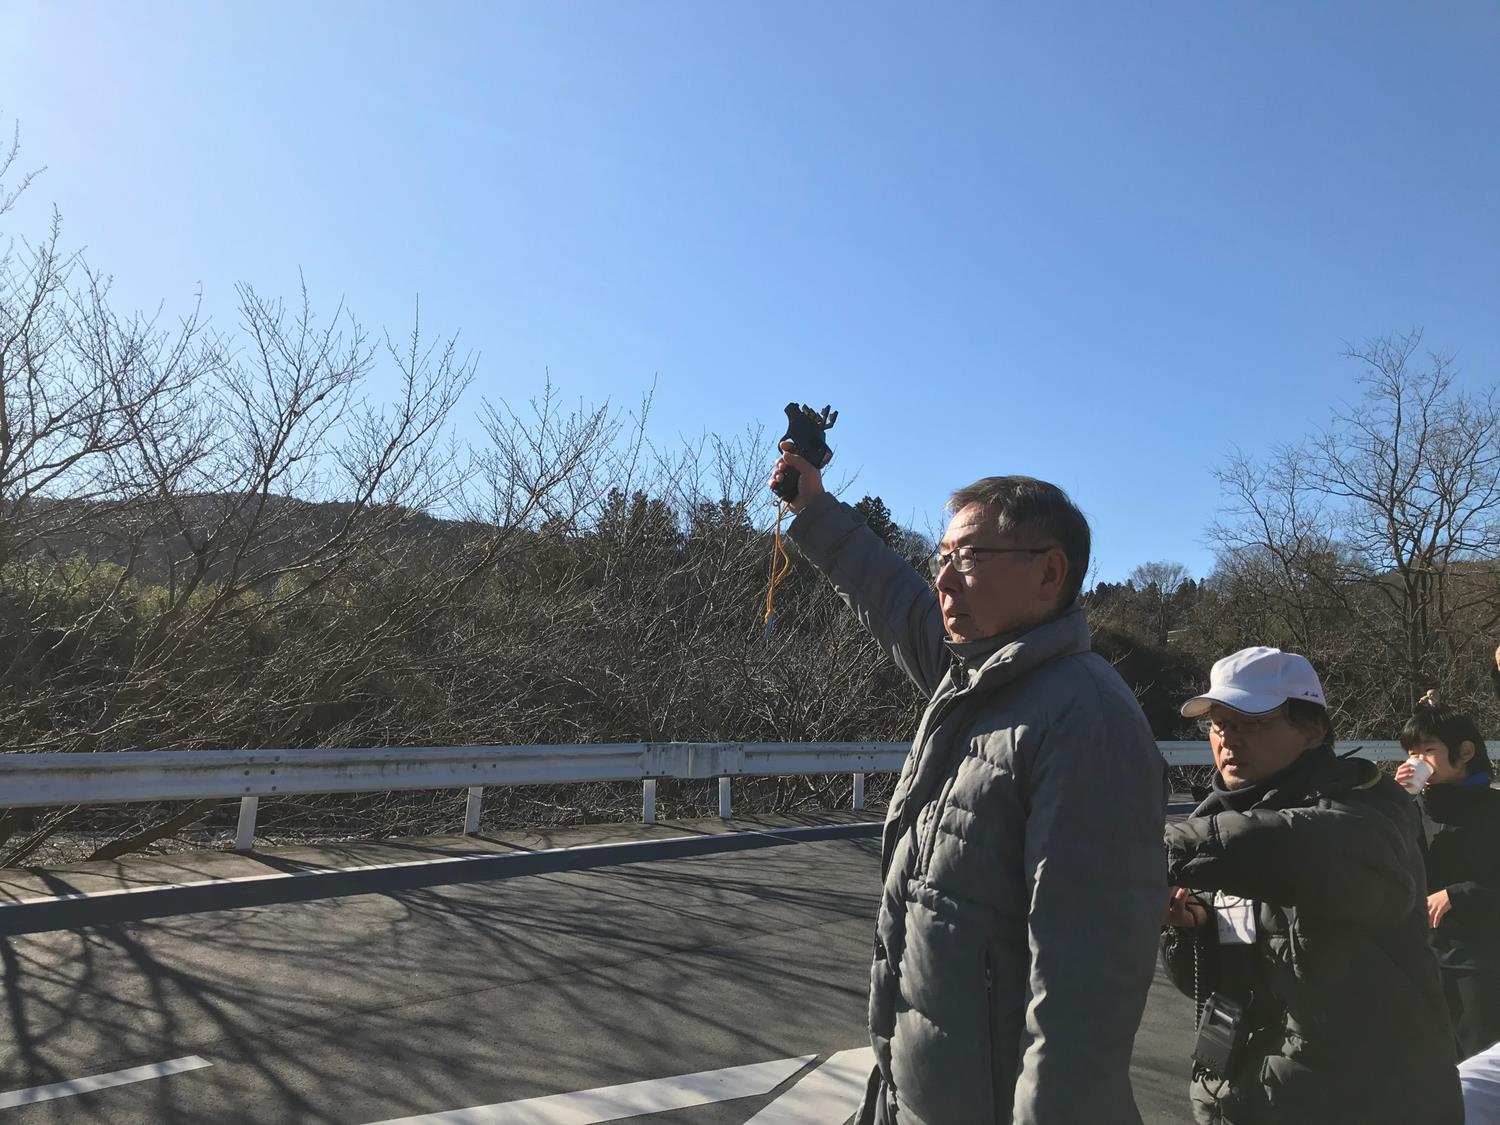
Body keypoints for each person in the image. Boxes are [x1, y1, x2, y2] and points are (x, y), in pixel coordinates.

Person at [770, 444, 1165, 1125]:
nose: (945, 579)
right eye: (942, 559)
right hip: (919, 1093)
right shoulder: (973, 683)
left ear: (1050, 573)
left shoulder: (1084, 716)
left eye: (969, 559)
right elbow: (892, 596)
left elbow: (1083, 986)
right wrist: (813, 506)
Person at [1160, 647, 1462, 1124]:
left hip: (1367, 1101)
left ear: (1314, 730)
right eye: (1218, 725)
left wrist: (1160, 850)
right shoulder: (1219, 824)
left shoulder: (1369, 808)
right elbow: (1217, 985)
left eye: (1250, 723)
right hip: (1243, 1096)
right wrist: (1190, 929)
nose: (1228, 740)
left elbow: (1301, 846)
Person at [1398, 697, 1500, 1056]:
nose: (1416, 762)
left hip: (1481, 960)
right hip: (1423, 956)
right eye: (1411, 753)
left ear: (1466, 751)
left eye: (1428, 750)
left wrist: (1457, 894)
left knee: (1480, 1060)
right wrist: (1396, 803)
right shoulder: (1413, 811)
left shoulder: (1492, 810)